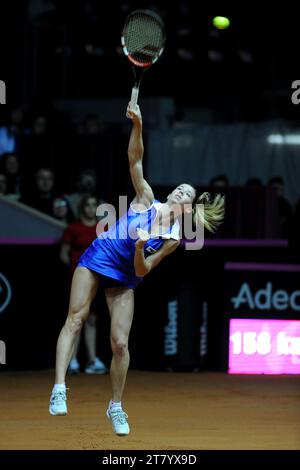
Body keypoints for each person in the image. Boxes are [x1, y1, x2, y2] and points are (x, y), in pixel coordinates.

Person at [49, 103, 225, 436]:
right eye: (178, 187)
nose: (178, 190)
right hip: (98, 258)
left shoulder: (172, 239)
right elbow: (136, 160)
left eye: (185, 192)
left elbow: (143, 272)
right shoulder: (146, 198)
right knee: (75, 318)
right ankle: (59, 388)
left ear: (188, 207)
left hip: (127, 276)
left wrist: (143, 247)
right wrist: (138, 126)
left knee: (119, 344)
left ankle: (116, 407)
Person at [60, 193, 107, 375]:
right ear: (82, 208)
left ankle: (92, 360)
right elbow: (64, 254)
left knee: (92, 319)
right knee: (75, 319)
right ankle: (73, 362)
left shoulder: (103, 228)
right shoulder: (73, 228)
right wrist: (78, 270)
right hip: (76, 278)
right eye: (87, 205)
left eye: (94, 204)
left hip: (97, 279)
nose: (90, 208)